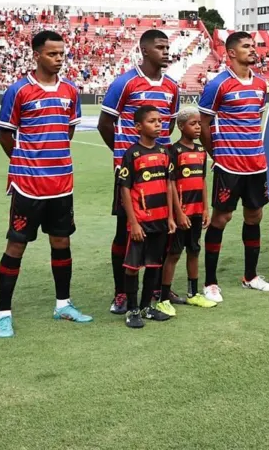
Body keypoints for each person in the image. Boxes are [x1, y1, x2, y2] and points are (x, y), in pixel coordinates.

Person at [0, 30, 92, 339]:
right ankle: (3, 314)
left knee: (61, 243)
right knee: (16, 245)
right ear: (37, 55)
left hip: (62, 182)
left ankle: (63, 304)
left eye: (62, 53)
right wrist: (26, 162)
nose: (59, 59)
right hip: (28, 184)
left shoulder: (70, 92)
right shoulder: (19, 91)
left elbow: (67, 133)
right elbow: (5, 135)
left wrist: (52, 158)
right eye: (52, 54)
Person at [97, 29, 179, 315]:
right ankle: (121, 293)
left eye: (167, 47)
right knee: (126, 233)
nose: (166, 51)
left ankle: (156, 289)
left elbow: (167, 128)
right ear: (145, 50)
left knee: (162, 232)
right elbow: (105, 124)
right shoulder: (125, 82)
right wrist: (126, 159)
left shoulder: (172, 86)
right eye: (160, 47)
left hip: (161, 174)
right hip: (132, 179)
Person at [198, 31, 269, 302]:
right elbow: (204, 124)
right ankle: (210, 282)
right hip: (229, 165)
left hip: (256, 164)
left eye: (254, 46)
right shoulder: (218, 85)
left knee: (254, 217)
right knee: (221, 218)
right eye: (246, 46)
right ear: (231, 53)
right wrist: (216, 154)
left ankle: (251, 276)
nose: (253, 50)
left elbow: (255, 119)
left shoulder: (262, 84)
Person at [118, 106, 175, 328]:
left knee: (154, 264)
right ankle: (132, 309)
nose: (158, 124)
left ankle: (146, 307)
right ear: (139, 127)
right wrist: (133, 222)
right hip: (140, 222)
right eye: (152, 121)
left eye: (160, 121)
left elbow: (169, 186)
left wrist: (170, 216)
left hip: (160, 220)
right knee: (132, 266)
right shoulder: (132, 154)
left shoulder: (164, 152)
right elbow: (125, 189)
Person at [160, 107, 217, 312]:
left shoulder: (201, 151)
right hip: (181, 214)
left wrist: (205, 209)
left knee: (194, 251)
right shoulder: (173, 151)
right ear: (181, 126)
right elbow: (171, 184)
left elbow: (202, 181)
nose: (198, 127)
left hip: (196, 212)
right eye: (193, 124)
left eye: (200, 123)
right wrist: (179, 213)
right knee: (174, 253)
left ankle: (193, 294)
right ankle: (164, 298)